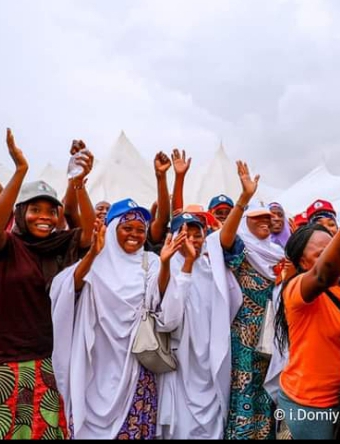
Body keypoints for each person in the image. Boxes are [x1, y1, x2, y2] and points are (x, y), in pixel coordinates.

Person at [0, 129, 94, 439]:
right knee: (7, 431)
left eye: (50, 211)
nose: (44, 217)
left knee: (46, 431)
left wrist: (78, 183)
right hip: (6, 359)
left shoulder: (58, 247)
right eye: (35, 209)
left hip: (48, 357)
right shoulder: (7, 246)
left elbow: (86, 233)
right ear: (20, 213)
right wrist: (20, 170)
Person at [50, 199, 193, 439]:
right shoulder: (94, 263)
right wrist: (93, 254)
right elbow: (64, 289)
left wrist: (166, 263)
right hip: (96, 366)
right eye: (128, 228)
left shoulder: (152, 262)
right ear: (114, 228)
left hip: (136, 368)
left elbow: (163, 308)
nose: (135, 235)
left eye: (140, 230)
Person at [274, 189, 340, 439]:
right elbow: (323, 273)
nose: (332, 257)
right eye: (320, 254)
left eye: (331, 248)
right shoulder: (297, 290)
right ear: (302, 263)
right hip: (310, 405)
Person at [203, 161, 284, 440]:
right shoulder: (242, 248)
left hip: (272, 333)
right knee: (244, 391)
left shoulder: (277, 253)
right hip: (245, 335)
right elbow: (224, 240)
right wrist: (243, 200)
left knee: (266, 392)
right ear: (246, 223)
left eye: (267, 218)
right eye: (257, 218)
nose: (265, 222)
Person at [156, 213, 225, 439]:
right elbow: (168, 320)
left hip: (208, 363)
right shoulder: (164, 269)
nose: (192, 241)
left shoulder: (214, 269)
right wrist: (186, 264)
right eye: (185, 235)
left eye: (198, 235)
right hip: (180, 364)